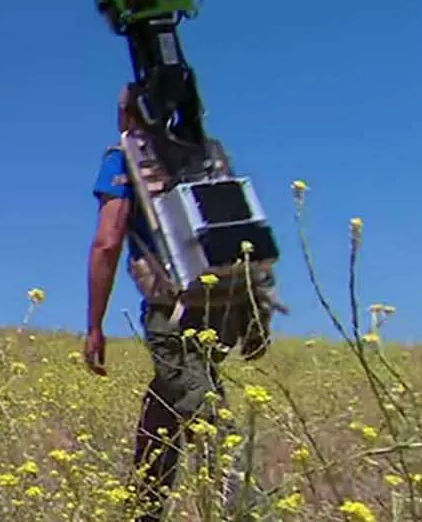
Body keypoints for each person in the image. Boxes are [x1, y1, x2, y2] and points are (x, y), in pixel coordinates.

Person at [84, 85, 283, 521]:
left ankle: (248, 513)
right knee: (164, 413)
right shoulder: (204, 154)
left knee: (209, 421)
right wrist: (257, 312)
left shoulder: (124, 158)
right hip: (229, 307)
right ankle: (143, 513)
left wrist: (95, 325)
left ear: (126, 115)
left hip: (174, 309)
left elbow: (107, 241)